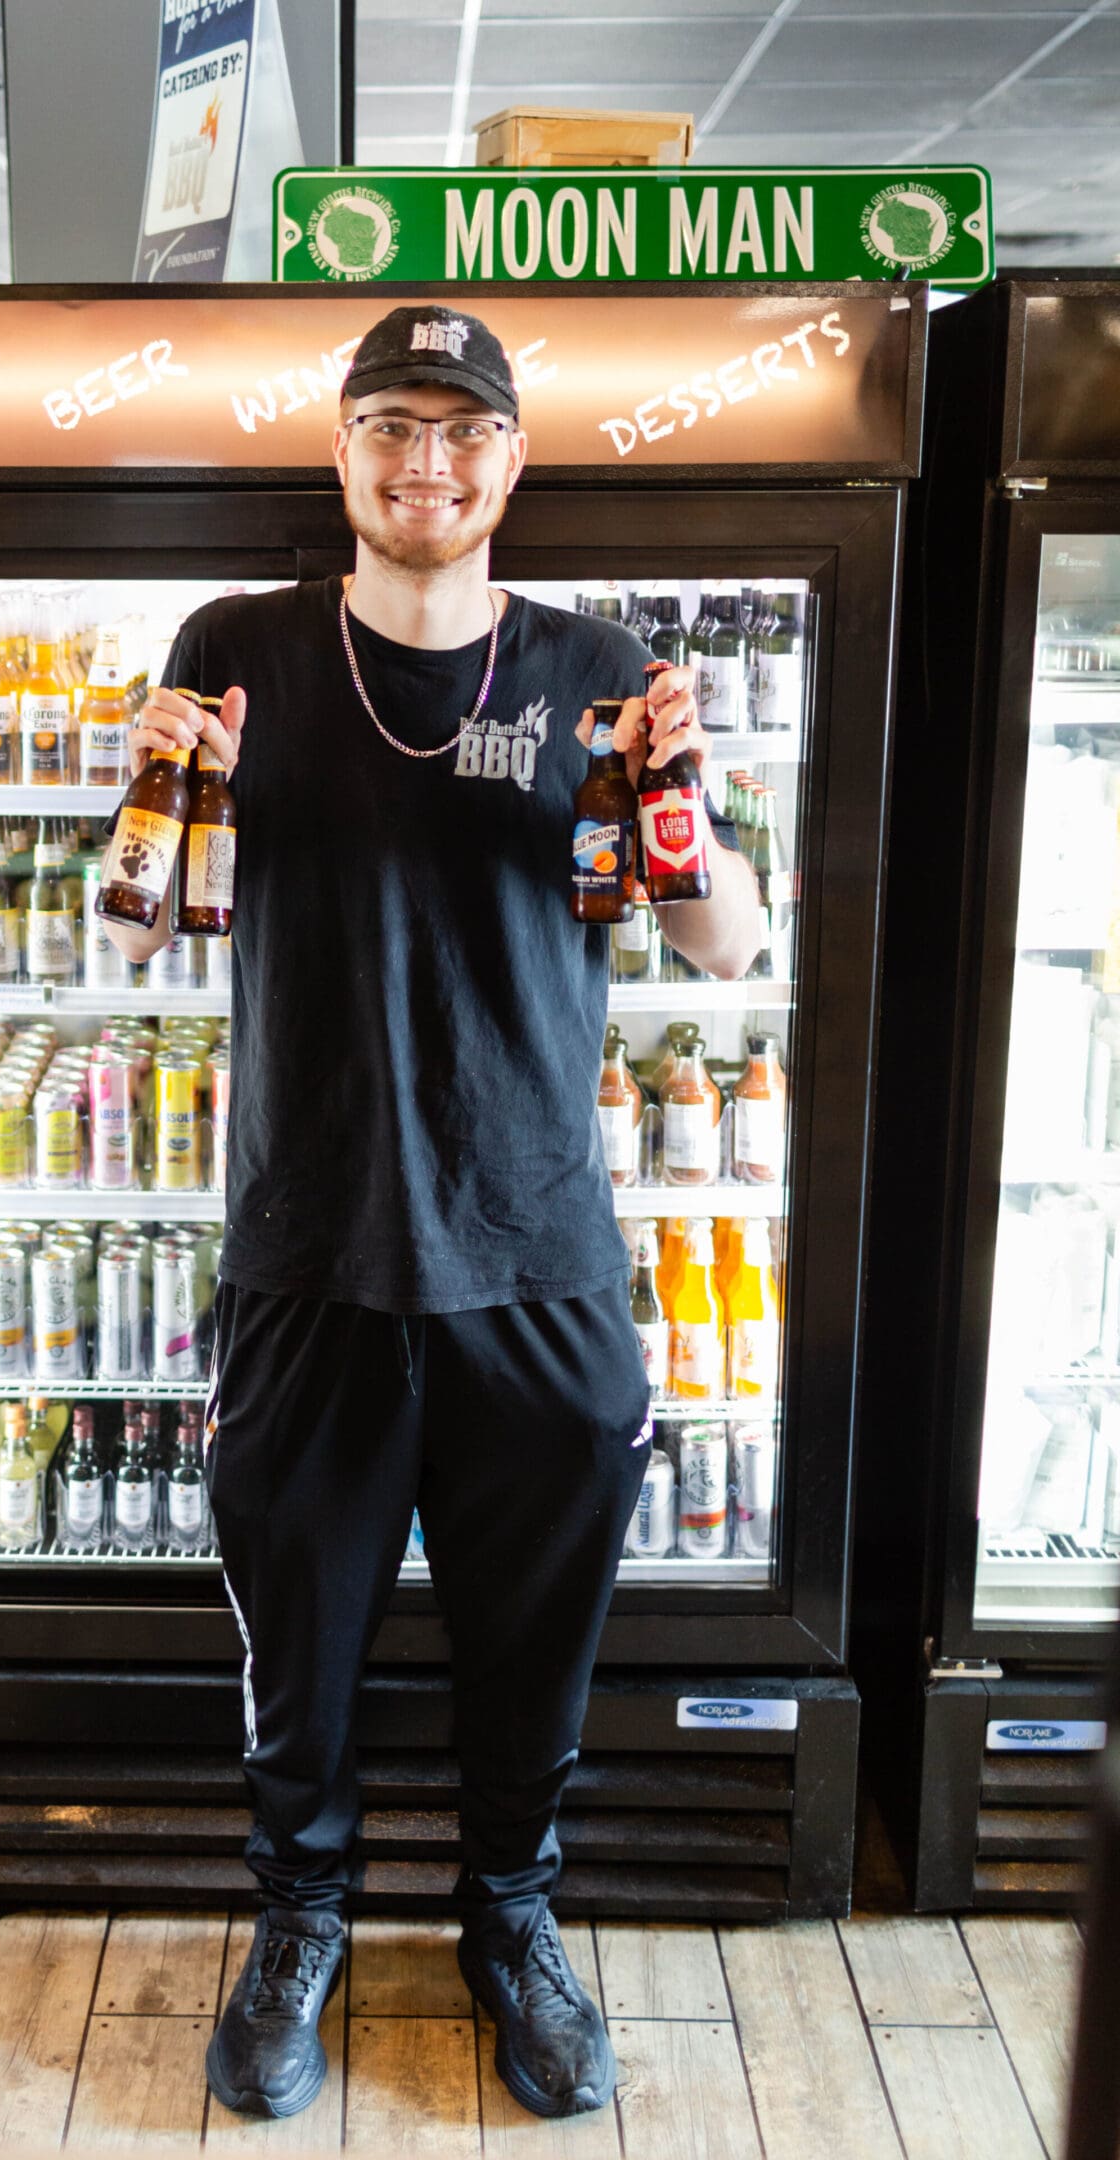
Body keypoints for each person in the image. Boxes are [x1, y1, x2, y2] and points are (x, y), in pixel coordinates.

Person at [110, 303, 761, 2123]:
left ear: (510, 463)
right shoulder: (236, 652)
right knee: (301, 1632)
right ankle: (300, 1926)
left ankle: (511, 1916)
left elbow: (728, 943)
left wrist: (683, 810)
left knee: (532, 1630)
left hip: (539, 1250)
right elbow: (137, 924)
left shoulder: (598, 665)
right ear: (340, 455)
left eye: (462, 431)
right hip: (308, 1248)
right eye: (391, 425)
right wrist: (141, 793)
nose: (427, 461)